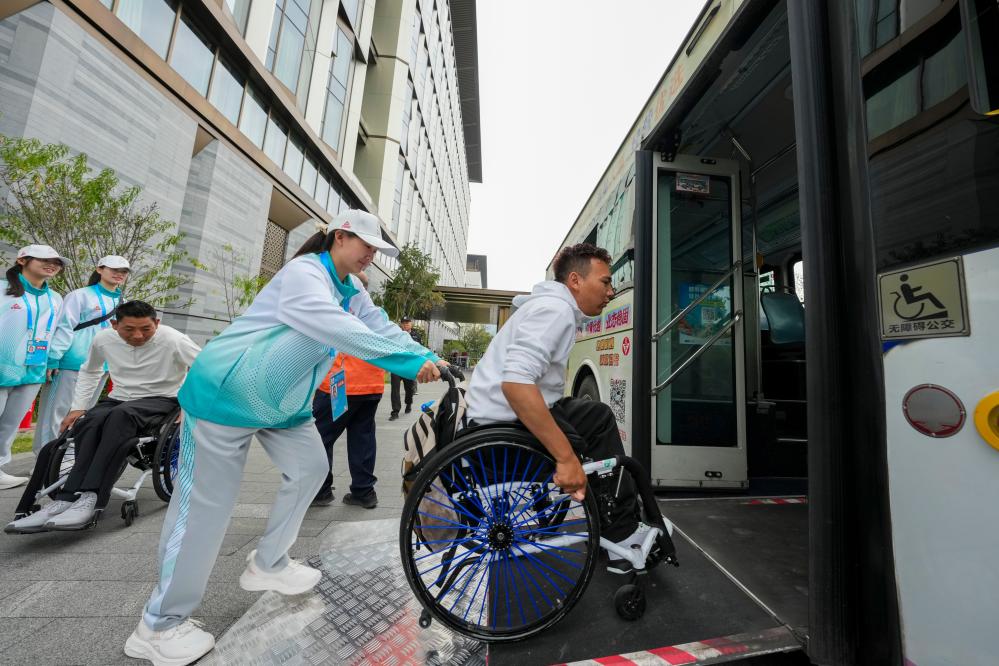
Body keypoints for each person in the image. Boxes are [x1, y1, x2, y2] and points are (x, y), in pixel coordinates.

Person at [126, 210, 446, 666]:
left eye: (376, 250)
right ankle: (158, 625)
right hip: (227, 393)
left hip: (281, 403)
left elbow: (379, 326)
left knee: (312, 468)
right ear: (339, 237)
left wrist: (428, 355)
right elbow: (336, 328)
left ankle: (269, 562)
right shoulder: (304, 274)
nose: (371, 256)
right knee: (204, 508)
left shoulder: (351, 289)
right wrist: (409, 364)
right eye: (366, 245)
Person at [465, 242, 650, 574]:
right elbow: (516, 383)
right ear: (575, 281)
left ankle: (612, 521)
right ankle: (621, 533)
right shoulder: (556, 311)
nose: (611, 292)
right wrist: (565, 459)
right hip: (502, 434)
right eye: (605, 282)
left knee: (597, 416)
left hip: (492, 420)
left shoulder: (549, 306)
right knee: (596, 429)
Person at [5, 300, 201, 532]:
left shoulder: (174, 339)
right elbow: (90, 371)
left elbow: (204, 368)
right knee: (89, 420)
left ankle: (91, 496)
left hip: (162, 398)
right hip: (120, 398)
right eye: (129, 329)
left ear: (156, 323)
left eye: (146, 329)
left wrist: (188, 404)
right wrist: (78, 407)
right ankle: (64, 499)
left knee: (120, 415)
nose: (138, 335)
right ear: (115, 325)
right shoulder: (103, 339)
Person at [34, 255, 130, 451]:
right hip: (72, 363)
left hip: (101, 366)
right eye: (114, 269)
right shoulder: (80, 296)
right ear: (100, 269)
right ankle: (45, 457)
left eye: (124, 271)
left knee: (82, 413)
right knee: (55, 414)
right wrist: (53, 358)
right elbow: (64, 327)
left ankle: (65, 459)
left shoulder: (124, 302)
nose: (119, 274)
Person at [312, 271, 386, 509]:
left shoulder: (342, 308)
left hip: (342, 383)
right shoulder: (376, 314)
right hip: (371, 384)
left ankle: (321, 490)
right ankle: (364, 491)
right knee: (362, 437)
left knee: (321, 437)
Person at [0, 245, 68, 491]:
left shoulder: (55, 298)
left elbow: (60, 331)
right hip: (3, 366)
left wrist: (53, 358)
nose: (52, 265)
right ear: (22, 260)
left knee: (10, 423)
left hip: (33, 369)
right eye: (44, 259)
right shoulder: (3, 290)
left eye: (57, 262)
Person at [389, 316, 421, 420]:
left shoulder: (416, 336)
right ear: (401, 324)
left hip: (409, 366)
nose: (405, 324)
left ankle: (408, 403)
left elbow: (418, 350)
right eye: (403, 323)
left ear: (411, 324)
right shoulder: (396, 334)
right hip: (397, 366)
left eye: (407, 322)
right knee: (395, 389)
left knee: (409, 388)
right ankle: (395, 411)